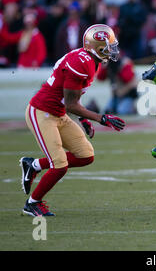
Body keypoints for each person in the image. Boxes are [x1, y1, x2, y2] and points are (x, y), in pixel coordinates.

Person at [20, 24, 126, 216]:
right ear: (97, 46)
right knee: (59, 165)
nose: (112, 50)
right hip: (42, 112)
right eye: (109, 46)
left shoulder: (89, 59)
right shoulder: (82, 63)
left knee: (85, 155)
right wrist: (100, 118)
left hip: (59, 113)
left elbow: (72, 98)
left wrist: (84, 120)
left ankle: (33, 165)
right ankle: (32, 203)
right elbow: (70, 104)